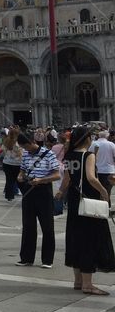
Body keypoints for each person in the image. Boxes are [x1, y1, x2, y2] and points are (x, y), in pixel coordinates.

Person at [56, 125, 115, 294]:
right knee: (90, 239)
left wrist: (60, 192)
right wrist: (104, 191)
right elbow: (91, 177)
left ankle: (78, 281)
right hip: (89, 200)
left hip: (75, 201)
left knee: (76, 238)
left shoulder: (69, 155)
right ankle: (88, 284)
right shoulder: (88, 155)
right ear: (88, 139)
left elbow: (66, 178)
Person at [17, 131, 61, 268]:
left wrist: (42, 180)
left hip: (43, 191)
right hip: (29, 190)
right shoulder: (25, 154)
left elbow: (57, 175)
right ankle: (26, 258)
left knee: (47, 226)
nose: (25, 150)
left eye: (26, 147)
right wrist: (20, 176)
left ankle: (47, 260)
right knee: (28, 225)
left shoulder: (49, 154)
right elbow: (23, 169)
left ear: (32, 142)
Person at [1, 127, 23, 202]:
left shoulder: (5, 141)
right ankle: (23, 192)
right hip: (17, 164)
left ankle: (9, 196)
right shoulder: (18, 143)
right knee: (19, 179)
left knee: (9, 180)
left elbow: (2, 151)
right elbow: (21, 154)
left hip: (7, 163)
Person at [92, 129, 115, 196]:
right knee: (107, 191)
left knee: (98, 191)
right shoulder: (111, 144)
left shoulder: (94, 144)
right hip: (109, 171)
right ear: (107, 137)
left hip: (96, 171)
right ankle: (107, 205)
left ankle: (101, 205)